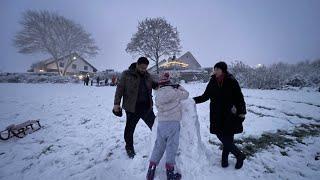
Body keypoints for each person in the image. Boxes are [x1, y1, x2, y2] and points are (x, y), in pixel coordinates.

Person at [193, 61, 247, 169]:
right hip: (216, 114)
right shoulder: (212, 81)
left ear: (223, 70)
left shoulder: (231, 81)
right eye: (215, 69)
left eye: (217, 69)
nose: (215, 71)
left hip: (229, 114)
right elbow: (205, 96)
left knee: (228, 136)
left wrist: (241, 112)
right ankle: (239, 155)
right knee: (220, 134)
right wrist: (192, 101)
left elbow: (239, 97)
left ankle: (225, 159)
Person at [113, 57, 159, 158]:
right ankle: (129, 148)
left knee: (155, 126)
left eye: (145, 68)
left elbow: (154, 85)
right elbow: (119, 89)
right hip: (132, 108)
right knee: (129, 130)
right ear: (137, 64)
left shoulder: (147, 76)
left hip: (146, 107)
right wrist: (117, 104)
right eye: (142, 68)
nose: (143, 70)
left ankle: (160, 144)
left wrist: (163, 85)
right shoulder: (127, 74)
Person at [146, 73, 188, 180]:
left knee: (159, 145)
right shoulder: (175, 92)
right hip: (173, 123)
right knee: (171, 146)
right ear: (169, 82)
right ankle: (170, 172)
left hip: (162, 123)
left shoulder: (157, 95)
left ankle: (151, 167)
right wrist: (179, 87)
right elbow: (186, 94)